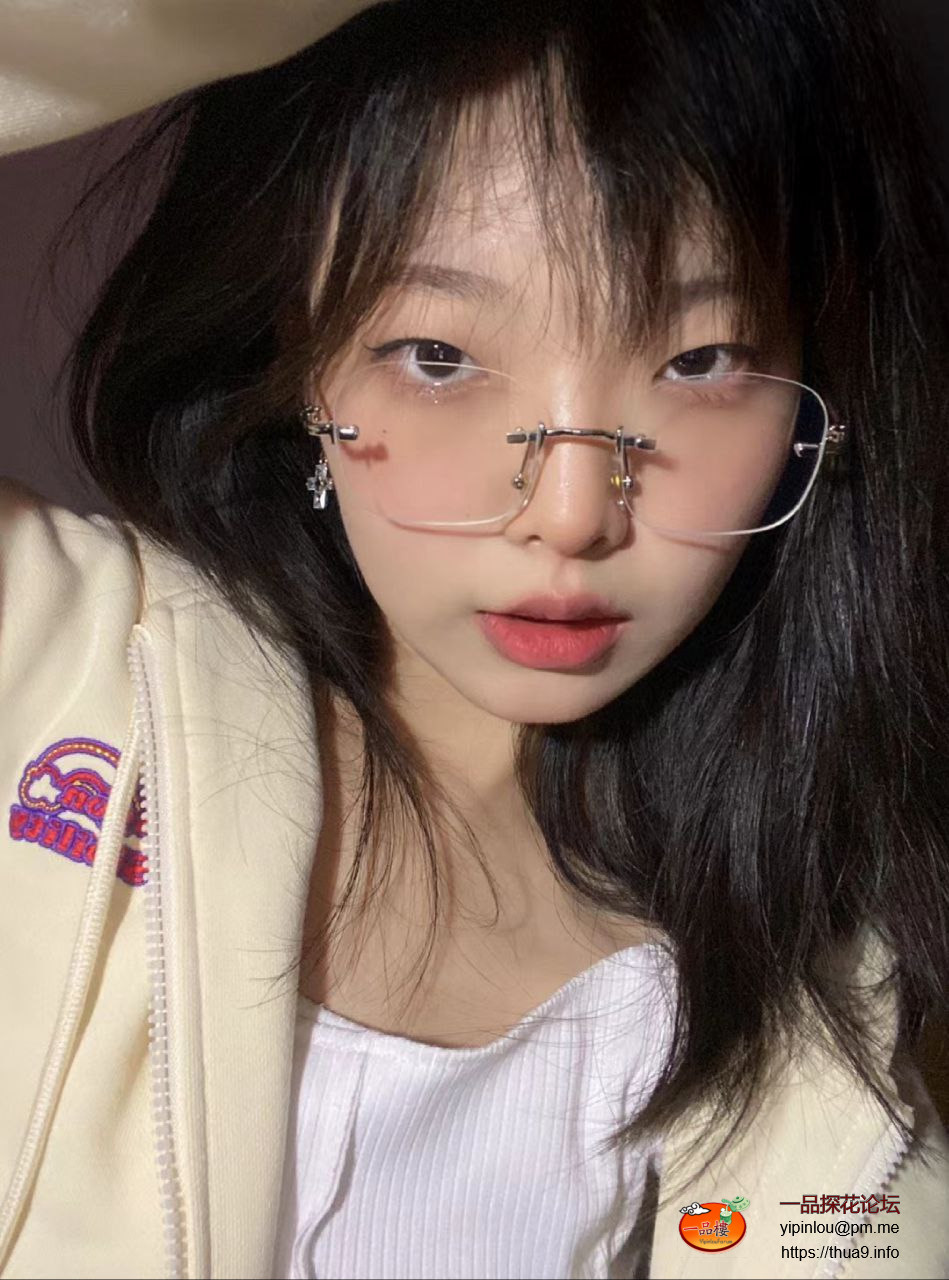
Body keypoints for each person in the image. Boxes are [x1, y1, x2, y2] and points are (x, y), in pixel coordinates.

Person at [1, 1, 948, 1276]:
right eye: (440, 355)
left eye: (700, 359)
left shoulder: (824, 983)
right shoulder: (49, 658)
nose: (571, 511)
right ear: (301, 358)